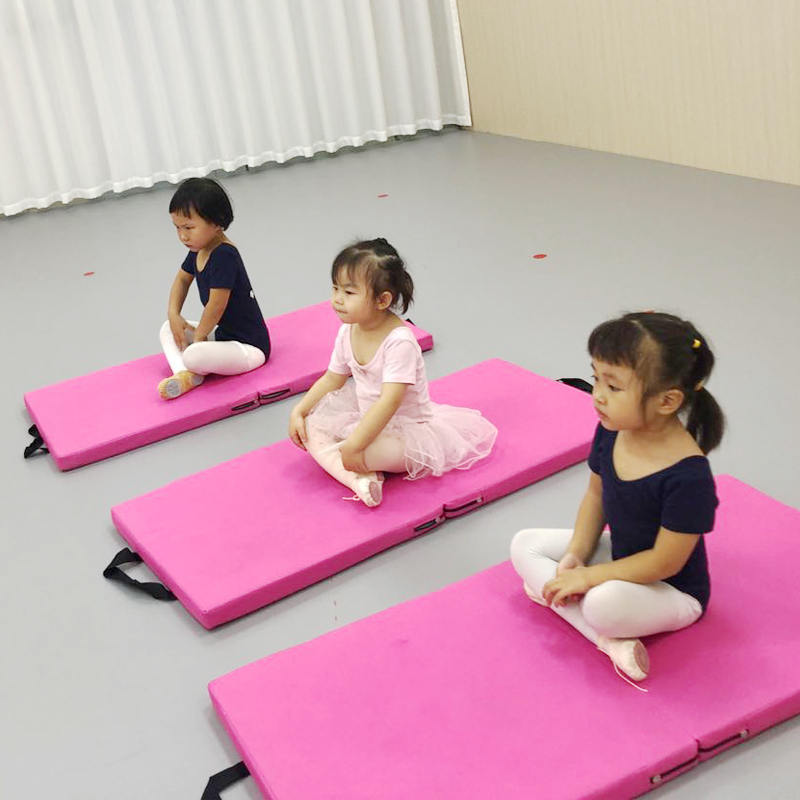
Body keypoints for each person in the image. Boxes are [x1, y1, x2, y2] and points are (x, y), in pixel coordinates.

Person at [510, 312, 725, 684]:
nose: (597, 395)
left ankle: (587, 622)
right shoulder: (612, 430)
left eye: (613, 387)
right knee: (524, 544)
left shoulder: (689, 477)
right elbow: (596, 496)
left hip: (672, 589)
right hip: (622, 557)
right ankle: (610, 641)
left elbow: (665, 562)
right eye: (596, 378)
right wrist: (576, 555)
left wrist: (589, 578)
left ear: (667, 401)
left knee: (601, 604)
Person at [289, 238, 497, 507]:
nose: (337, 299)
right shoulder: (347, 331)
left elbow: (389, 401)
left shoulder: (399, 342)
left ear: (382, 300)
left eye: (349, 292)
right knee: (308, 427)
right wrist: (299, 410)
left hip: (406, 434)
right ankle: (361, 478)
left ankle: (360, 475)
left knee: (351, 450)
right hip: (366, 420)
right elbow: (332, 379)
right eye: (335, 288)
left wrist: (355, 445)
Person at [158, 177, 270, 399]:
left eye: (189, 227)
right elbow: (182, 280)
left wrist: (199, 337)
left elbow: (216, 305)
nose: (182, 236)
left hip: (248, 348)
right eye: (177, 228)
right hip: (222, 337)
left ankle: (189, 367)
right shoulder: (199, 249)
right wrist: (174, 314)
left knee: (194, 354)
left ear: (217, 223)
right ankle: (186, 375)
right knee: (168, 328)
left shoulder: (224, 255)